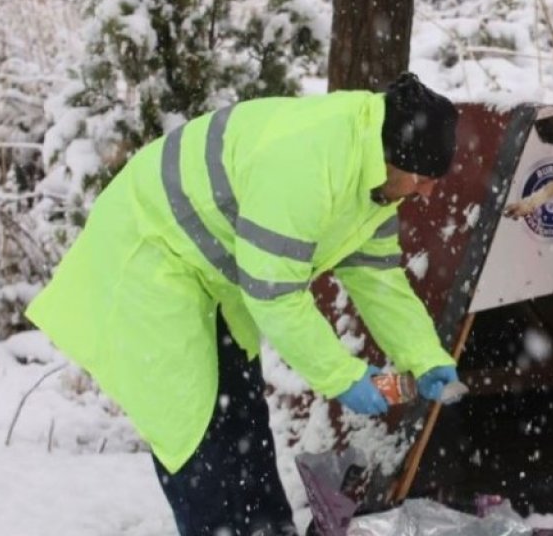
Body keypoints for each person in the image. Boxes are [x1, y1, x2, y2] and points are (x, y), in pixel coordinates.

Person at [25, 73, 463, 536]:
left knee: (242, 420)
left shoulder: (373, 177)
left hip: (212, 275)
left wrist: (425, 356)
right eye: (423, 179)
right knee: (196, 436)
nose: (427, 193)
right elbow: (277, 295)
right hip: (150, 257)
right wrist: (342, 376)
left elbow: (378, 278)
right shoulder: (307, 163)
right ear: (395, 157)